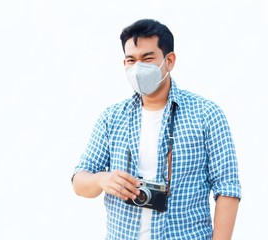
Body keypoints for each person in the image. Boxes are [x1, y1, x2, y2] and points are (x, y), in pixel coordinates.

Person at [71, 19, 241, 240]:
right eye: (131, 60)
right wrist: (102, 179)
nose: (138, 67)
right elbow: (79, 181)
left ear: (169, 61)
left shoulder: (207, 115)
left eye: (147, 58)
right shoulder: (111, 118)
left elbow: (227, 188)